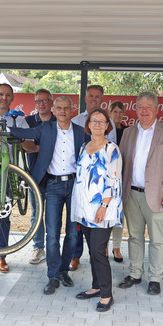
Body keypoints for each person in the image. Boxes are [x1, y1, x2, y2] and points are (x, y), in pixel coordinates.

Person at [9, 97, 87, 295]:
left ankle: (63, 270)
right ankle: (52, 276)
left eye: (66, 108)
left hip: (74, 186)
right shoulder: (46, 128)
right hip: (52, 185)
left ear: (72, 110)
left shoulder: (80, 132)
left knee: (72, 233)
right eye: (59, 108)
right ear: (54, 109)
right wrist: (3, 129)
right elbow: (24, 133)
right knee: (52, 233)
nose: (62, 111)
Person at [117, 92, 163, 295]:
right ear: (136, 109)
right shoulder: (128, 132)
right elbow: (119, 164)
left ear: (156, 109)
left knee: (156, 239)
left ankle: (154, 278)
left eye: (148, 107)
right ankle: (135, 273)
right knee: (134, 237)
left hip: (157, 195)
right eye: (140, 107)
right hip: (131, 194)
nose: (144, 111)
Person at [71, 108, 122, 312]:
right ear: (89, 124)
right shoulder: (85, 146)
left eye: (102, 121)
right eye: (94, 121)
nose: (98, 124)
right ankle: (95, 286)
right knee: (92, 250)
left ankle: (107, 294)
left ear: (107, 125)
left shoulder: (112, 149)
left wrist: (104, 205)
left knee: (99, 251)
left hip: (103, 208)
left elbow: (114, 181)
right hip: (85, 208)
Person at [0, 83, 31, 272]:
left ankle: (1, 255)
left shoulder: (19, 120)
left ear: (12, 98)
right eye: (1, 94)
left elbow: (27, 143)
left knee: (4, 215)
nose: (4, 98)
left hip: (8, 173)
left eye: (8, 95)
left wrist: (15, 137)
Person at [70, 85, 117, 270]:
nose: (94, 99)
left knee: (98, 246)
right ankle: (76, 257)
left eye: (98, 96)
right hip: (84, 191)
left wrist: (105, 203)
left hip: (101, 195)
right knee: (80, 230)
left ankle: (102, 280)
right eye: (91, 96)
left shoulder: (109, 127)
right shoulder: (75, 121)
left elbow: (112, 165)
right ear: (86, 98)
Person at [24, 89, 56, 265]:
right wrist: (43, 148)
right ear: (35, 104)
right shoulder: (29, 121)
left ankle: (52, 249)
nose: (42, 104)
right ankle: (38, 248)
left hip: (53, 177)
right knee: (36, 214)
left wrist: (36, 145)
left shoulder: (57, 120)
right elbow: (24, 145)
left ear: (51, 103)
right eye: (38, 101)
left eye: (45, 101)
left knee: (52, 216)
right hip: (34, 176)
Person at [108, 100, 128, 263]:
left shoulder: (127, 131)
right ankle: (103, 247)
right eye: (115, 111)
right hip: (107, 178)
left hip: (122, 176)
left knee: (119, 215)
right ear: (110, 113)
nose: (118, 115)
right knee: (106, 212)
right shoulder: (104, 130)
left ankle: (116, 248)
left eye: (120, 112)